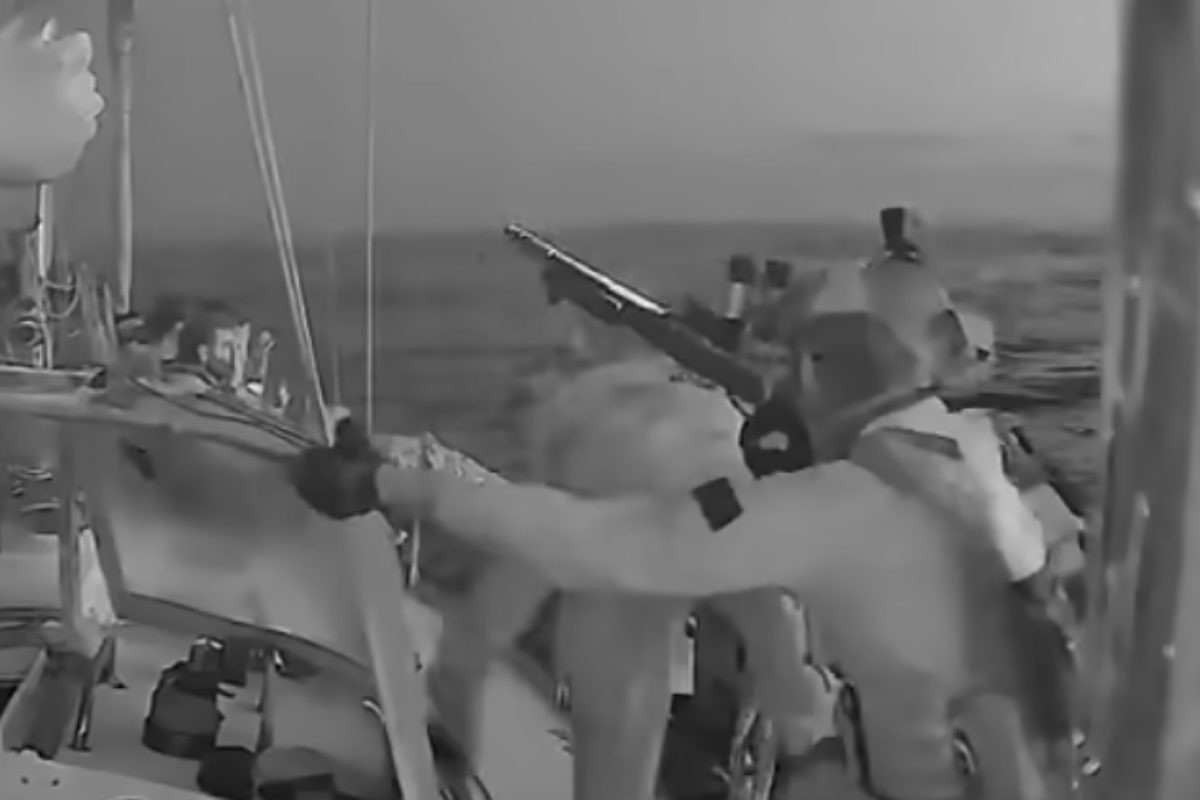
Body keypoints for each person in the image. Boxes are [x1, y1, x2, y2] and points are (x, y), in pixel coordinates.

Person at [291, 236, 1075, 800]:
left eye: (804, 362)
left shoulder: (837, 505)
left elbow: (616, 543)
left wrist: (398, 485)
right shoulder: (981, 460)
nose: (788, 384)